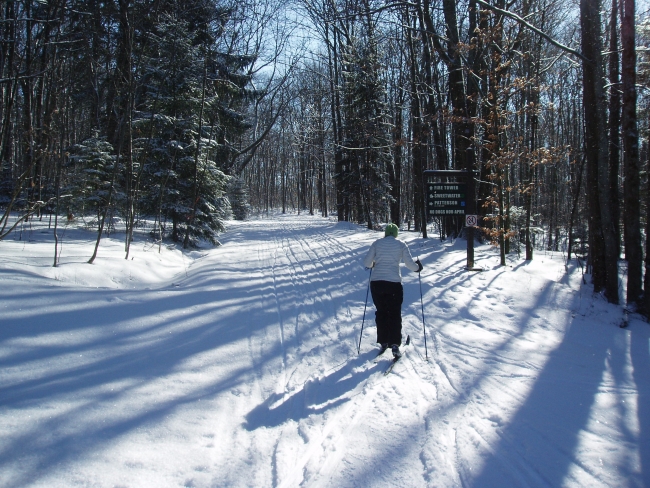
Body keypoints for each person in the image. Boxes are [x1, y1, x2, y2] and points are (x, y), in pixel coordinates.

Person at [363, 223, 423, 358]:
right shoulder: (401, 244)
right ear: (396, 233)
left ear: (385, 233)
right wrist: (418, 268)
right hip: (393, 284)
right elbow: (410, 264)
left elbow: (367, 263)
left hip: (377, 283)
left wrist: (374, 264)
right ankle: (395, 344)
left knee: (381, 312)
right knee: (394, 313)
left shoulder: (377, 243)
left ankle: (383, 340)